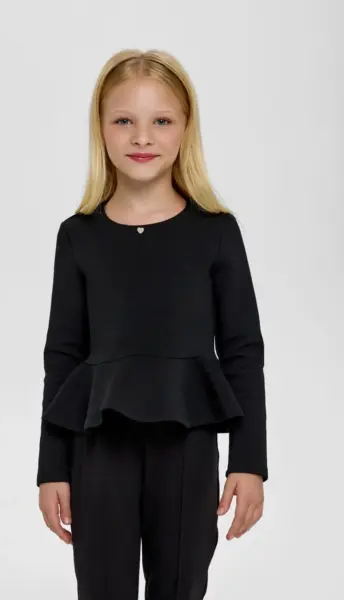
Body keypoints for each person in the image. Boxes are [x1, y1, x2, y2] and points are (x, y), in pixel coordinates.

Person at [36, 49, 268, 599]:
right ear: (101, 129)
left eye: (161, 120)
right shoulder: (79, 236)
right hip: (99, 447)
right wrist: (51, 468)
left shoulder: (215, 232)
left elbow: (242, 350)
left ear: (186, 129)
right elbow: (62, 355)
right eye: (124, 120)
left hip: (187, 443)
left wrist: (249, 460)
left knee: (181, 585)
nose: (142, 137)